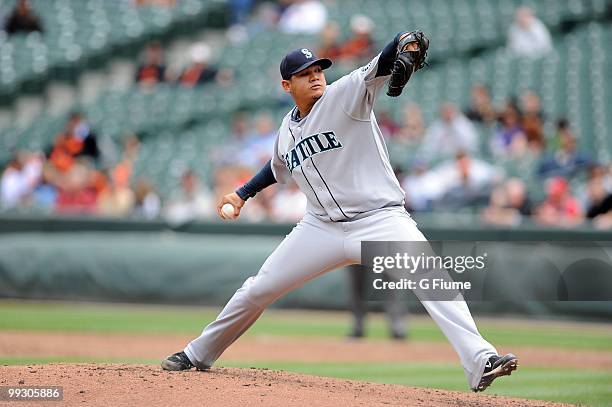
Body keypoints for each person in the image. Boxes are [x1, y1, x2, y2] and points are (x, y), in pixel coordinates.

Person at [161, 32, 518, 392]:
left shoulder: (346, 94)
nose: (316, 75)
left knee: (431, 279)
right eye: (305, 73)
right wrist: (242, 194)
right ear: (287, 85)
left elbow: (383, 59)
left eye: (318, 69)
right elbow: (277, 167)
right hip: (320, 229)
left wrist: (402, 43)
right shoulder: (287, 130)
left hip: (380, 219)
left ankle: (481, 361)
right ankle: (197, 353)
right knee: (257, 289)